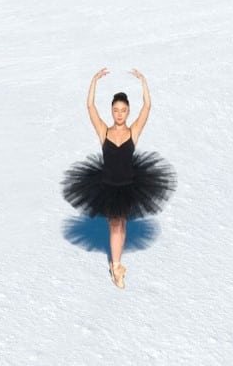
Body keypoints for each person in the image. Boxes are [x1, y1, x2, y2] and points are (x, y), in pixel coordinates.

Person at [61, 68, 176, 288]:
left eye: (123, 110)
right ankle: (116, 267)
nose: (120, 114)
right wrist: (93, 81)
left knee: (121, 225)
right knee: (115, 225)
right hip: (108, 186)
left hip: (129, 185)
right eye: (116, 110)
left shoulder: (133, 132)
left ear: (128, 111)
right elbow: (90, 107)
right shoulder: (104, 131)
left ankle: (116, 264)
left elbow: (148, 107)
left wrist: (144, 82)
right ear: (112, 112)